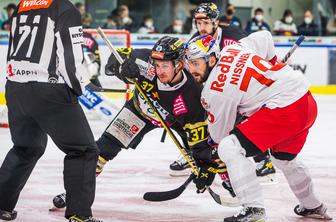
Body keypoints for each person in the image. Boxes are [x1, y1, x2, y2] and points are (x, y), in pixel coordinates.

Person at [52, 36, 234, 209]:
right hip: (139, 111)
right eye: (156, 64)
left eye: (165, 66)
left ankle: (230, 182)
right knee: (101, 150)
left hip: (175, 120)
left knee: (208, 149)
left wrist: (205, 166)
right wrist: (122, 69)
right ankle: (74, 193)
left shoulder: (192, 94)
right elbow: (113, 61)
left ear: (179, 65)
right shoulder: (144, 61)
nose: (159, 70)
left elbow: (198, 138)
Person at [184, 31, 332, 221]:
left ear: (212, 59)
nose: (191, 69)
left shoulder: (214, 91)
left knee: (230, 147)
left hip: (285, 110)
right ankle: (313, 206)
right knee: (284, 159)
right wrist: (273, 61)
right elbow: (265, 36)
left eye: (196, 63)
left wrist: (209, 159)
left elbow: (220, 137)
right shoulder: (233, 49)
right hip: (306, 101)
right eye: (189, 63)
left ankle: (254, 209)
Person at [0, 0, 101, 221]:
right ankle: (80, 215)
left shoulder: (22, 5)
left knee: (26, 147)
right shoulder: (64, 8)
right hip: (48, 88)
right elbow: (70, 57)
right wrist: (79, 87)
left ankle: (1, 204)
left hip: (16, 87)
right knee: (83, 150)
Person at [170, 3, 276, 181]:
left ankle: (263, 161)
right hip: (212, 86)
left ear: (216, 22)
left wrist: (272, 66)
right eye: (198, 23)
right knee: (188, 113)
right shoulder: (196, 39)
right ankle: (193, 152)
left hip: (238, 85)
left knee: (240, 117)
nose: (201, 28)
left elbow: (254, 56)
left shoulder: (233, 35)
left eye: (205, 23)